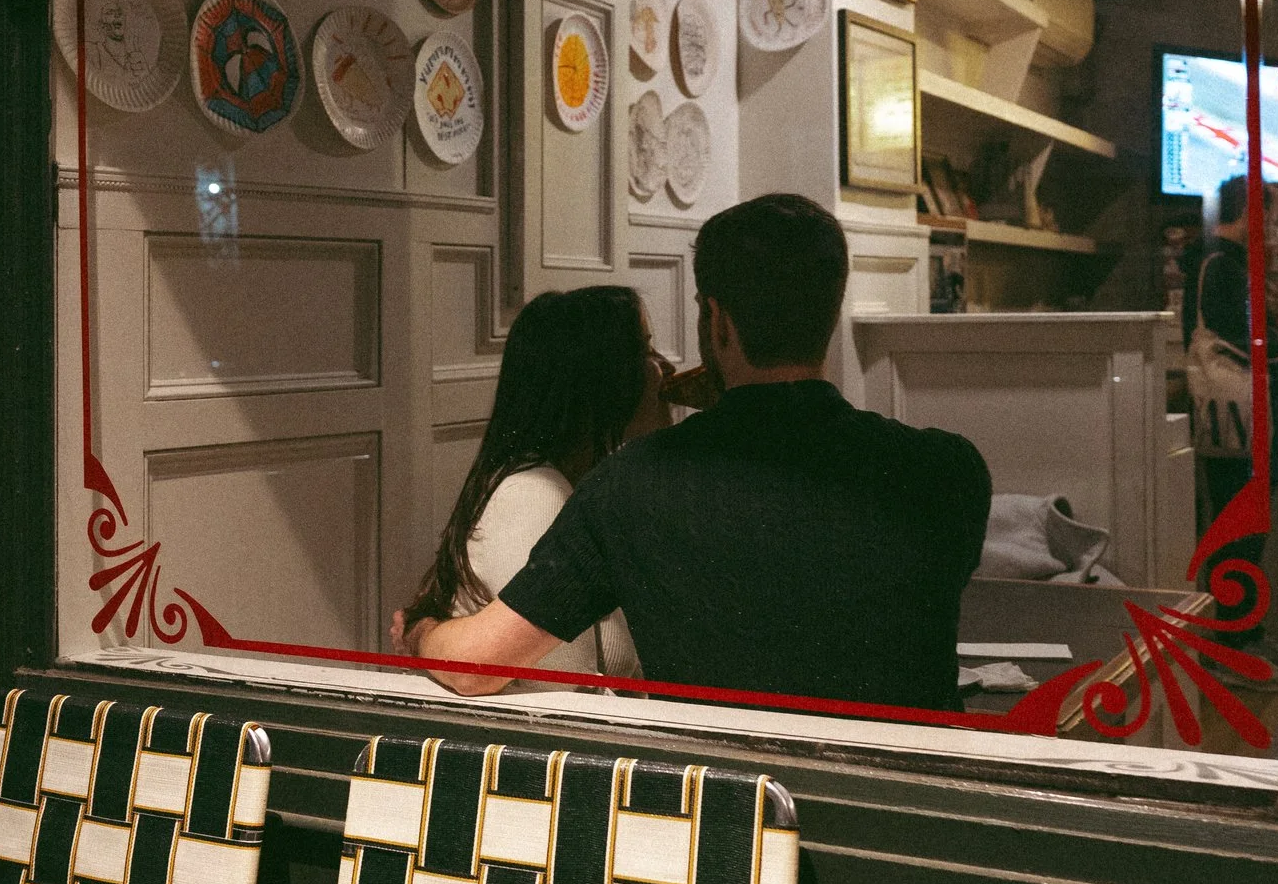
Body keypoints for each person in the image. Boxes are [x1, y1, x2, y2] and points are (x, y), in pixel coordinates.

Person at [403, 193, 991, 712]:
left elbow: (475, 663)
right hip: (913, 816)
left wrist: (420, 631)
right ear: (831, 312)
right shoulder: (950, 471)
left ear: (717, 320)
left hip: (731, 816)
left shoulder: (630, 485)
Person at [402, 285, 663, 681]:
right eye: (645, 352)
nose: (665, 369)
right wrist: (421, 633)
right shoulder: (537, 494)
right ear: (602, 377)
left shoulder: (582, 487)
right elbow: (560, 691)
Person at [1190, 174, 1278, 650]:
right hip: (1238, 420)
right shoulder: (1223, 264)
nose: (1272, 225)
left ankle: (1238, 634)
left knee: (1236, 522)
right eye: (1268, 213)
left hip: (1230, 419)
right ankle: (1238, 638)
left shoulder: (1216, 260)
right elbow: (1237, 332)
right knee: (1242, 522)